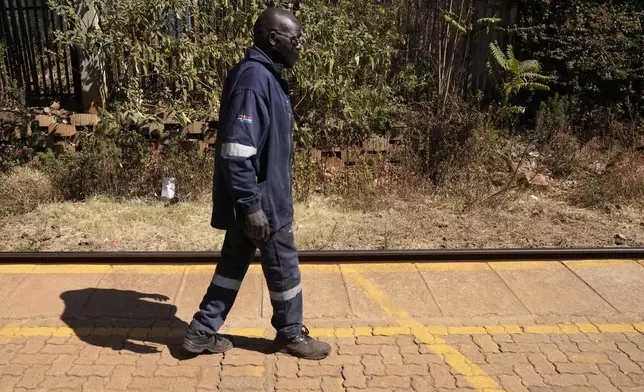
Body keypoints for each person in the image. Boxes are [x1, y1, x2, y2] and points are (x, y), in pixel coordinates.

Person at [182, 7, 331, 360]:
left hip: (255, 198)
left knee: (233, 264)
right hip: (262, 202)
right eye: (295, 40)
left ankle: (201, 331)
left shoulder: (265, 75)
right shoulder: (254, 80)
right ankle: (291, 334)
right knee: (283, 267)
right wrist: (251, 206)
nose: (300, 48)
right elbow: (236, 151)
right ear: (273, 39)